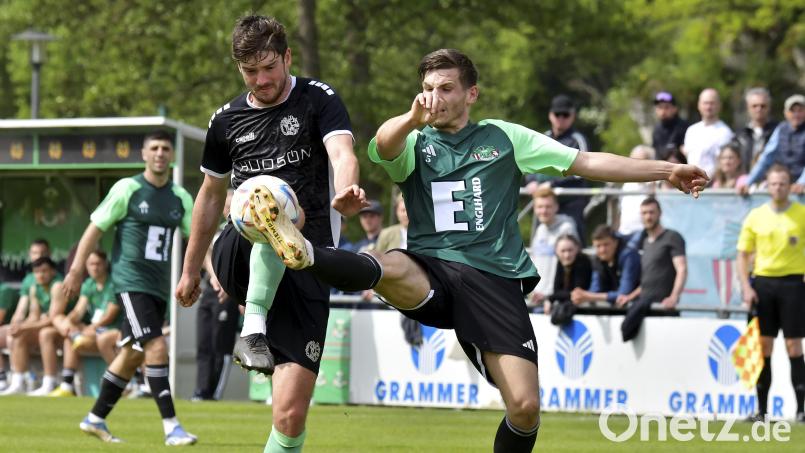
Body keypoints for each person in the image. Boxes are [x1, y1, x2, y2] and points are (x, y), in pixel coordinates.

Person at [248, 48, 707, 452]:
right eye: (428, 88)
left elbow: (586, 162)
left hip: (494, 280)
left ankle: (310, 253)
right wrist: (410, 118)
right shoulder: (415, 141)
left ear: (471, 94)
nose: (435, 97)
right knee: (390, 264)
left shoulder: (504, 137)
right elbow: (381, 146)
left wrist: (665, 170)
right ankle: (304, 251)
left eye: (446, 88)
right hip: (432, 269)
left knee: (525, 408)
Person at [174, 15, 365, 452]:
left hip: (309, 262)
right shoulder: (226, 121)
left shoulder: (318, 99)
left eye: (269, 67)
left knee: (290, 415)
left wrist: (347, 189)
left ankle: (258, 331)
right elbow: (209, 196)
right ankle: (253, 326)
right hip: (239, 250)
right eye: (250, 71)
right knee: (269, 198)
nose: (261, 80)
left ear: (287, 57)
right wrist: (189, 270)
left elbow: (342, 153)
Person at [61, 130, 196, 445]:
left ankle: (95, 418)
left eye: (165, 148)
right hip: (131, 282)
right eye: (154, 148)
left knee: (132, 355)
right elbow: (95, 228)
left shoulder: (180, 197)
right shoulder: (128, 188)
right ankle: (172, 427)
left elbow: (196, 239)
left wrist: (212, 275)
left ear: (171, 155)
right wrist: (76, 269)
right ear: (144, 154)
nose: (160, 153)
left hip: (158, 288)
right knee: (156, 347)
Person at [737, 164, 805, 423]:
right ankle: (762, 411)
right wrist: (746, 287)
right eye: (774, 183)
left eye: (783, 183)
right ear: (767, 186)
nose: (778, 188)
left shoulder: (801, 213)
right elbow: (742, 255)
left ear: (790, 186)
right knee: (763, 347)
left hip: (793, 284)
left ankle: (801, 411)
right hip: (763, 285)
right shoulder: (756, 216)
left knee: (794, 346)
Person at [49, 250, 123, 397]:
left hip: (111, 330)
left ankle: (123, 382)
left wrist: (90, 328)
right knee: (64, 328)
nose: (94, 267)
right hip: (92, 332)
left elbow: (110, 315)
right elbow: (79, 310)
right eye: (91, 264)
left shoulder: (113, 284)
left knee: (74, 336)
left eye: (98, 264)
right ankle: (67, 386)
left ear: (105, 264)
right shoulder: (88, 284)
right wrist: (69, 321)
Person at [618, 197, 687, 341]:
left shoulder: (672, 237)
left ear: (660, 214)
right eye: (644, 213)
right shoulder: (643, 241)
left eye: (651, 212)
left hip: (664, 309)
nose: (648, 217)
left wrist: (674, 297)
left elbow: (682, 269)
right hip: (645, 310)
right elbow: (648, 280)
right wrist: (630, 297)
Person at [193, 190, 239, 402]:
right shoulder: (217, 230)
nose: (228, 209)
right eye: (226, 205)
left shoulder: (245, 231)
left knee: (221, 344)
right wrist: (214, 276)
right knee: (204, 343)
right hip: (209, 291)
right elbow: (204, 254)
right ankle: (201, 390)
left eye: (232, 204)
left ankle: (215, 393)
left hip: (230, 294)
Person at [524, 94, 592, 241]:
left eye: (565, 114)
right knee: (540, 242)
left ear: (573, 116)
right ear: (550, 115)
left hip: (570, 202)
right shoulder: (542, 138)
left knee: (572, 242)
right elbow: (530, 162)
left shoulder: (578, 139)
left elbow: (583, 171)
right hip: (545, 201)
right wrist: (531, 180)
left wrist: (552, 184)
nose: (561, 118)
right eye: (557, 114)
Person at [0, 256, 61, 396]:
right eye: (37, 272)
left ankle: (49, 382)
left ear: (52, 272)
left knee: (45, 334)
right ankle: (18, 382)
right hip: (46, 325)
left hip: (62, 327)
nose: (40, 275)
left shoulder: (57, 286)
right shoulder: (35, 288)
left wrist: (24, 327)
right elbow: (34, 315)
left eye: (44, 271)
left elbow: (53, 319)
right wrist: (19, 326)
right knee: (18, 335)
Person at [739, 94, 805, 195]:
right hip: (784, 185)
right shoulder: (781, 129)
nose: (796, 114)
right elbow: (766, 158)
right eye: (792, 111)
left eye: (800, 110)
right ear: (785, 113)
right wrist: (748, 182)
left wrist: (801, 183)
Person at [571, 225, 641, 309]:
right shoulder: (597, 259)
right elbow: (595, 289)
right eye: (598, 246)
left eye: (606, 245)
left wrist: (588, 296)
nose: (602, 250)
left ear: (615, 242)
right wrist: (580, 295)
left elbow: (624, 293)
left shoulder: (628, 256)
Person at [528, 187, 578, 304]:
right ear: (534, 209)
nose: (544, 211)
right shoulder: (540, 230)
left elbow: (570, 265)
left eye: (548, 206)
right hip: (537, 296)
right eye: (540, 207)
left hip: (556, 299)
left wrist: (551, 296)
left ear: (556, 207)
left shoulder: (567, 228)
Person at [683, 88, 734, 177]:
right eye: (705, 103)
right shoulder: (691, 130)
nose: (708, 107)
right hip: (691, 182)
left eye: (712, 103)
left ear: (719, 105)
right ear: (699, 105)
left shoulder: (725, 132)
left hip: (714, 183)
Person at [543, 234, 592, 319]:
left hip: (586, 311)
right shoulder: (560, 262)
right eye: (563, 251)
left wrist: (550, 298)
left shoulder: (583, 262)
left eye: (570, 250)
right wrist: (552, 297)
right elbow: (557, 290)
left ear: (577, 249)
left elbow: (577, 293)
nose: (567, 255)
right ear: (556, 251)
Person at [735, 88, 778, 174]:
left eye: (763, 106)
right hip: (745, 178)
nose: (759, 109)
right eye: (754, 106)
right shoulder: (739, 135)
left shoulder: (778, 131)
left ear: (769, 107)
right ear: (748, 108)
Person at [617, 145, 656, 235]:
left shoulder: (655, 184)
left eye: (640, 161)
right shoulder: (626, 185)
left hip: (644, 234)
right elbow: (620, 211)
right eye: (633, 160)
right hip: (623, 233)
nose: (636, 165)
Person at [651, 91, 690, 162]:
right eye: (660, 107)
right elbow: (655, 150)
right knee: (640, 152)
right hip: (660, 160)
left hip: (679, 162)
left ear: (675, 109)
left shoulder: (684, 126)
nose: (663, 111)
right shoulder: (657, 128)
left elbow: (684, 150)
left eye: (666, 107)